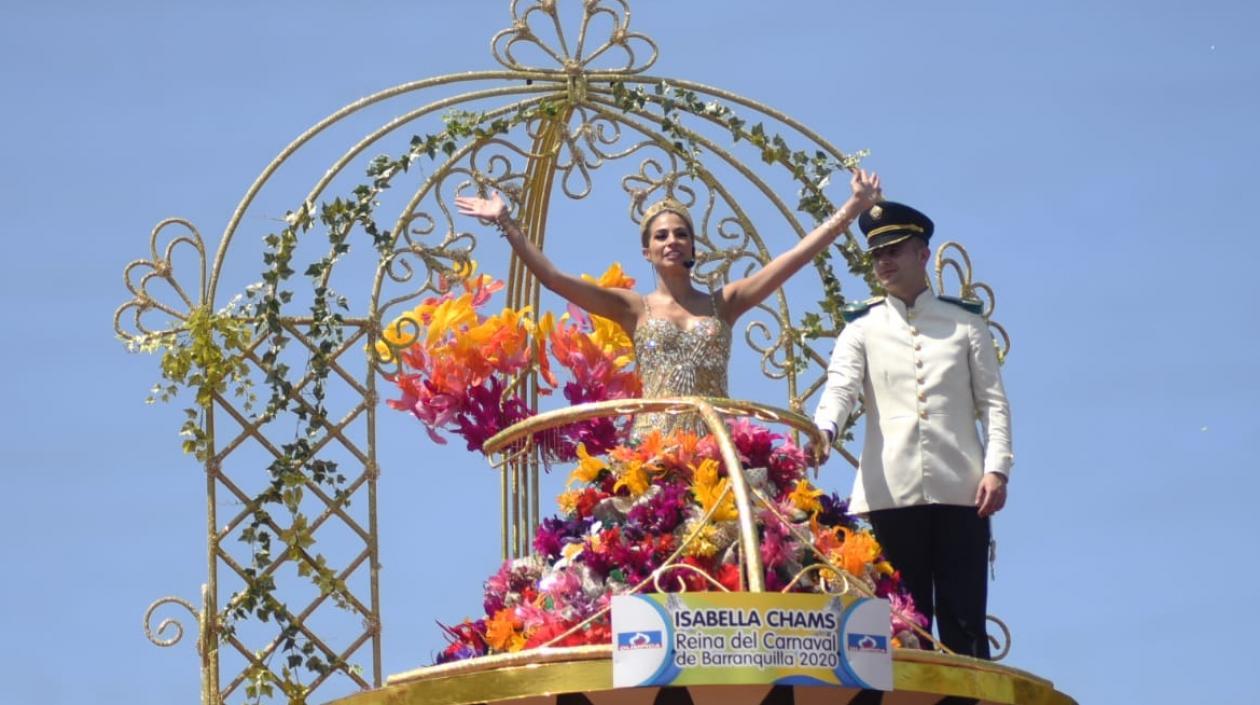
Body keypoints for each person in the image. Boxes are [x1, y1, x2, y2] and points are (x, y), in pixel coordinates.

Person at [454, 169, 882, 436]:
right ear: (648, 252)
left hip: (717, 444)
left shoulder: (724, 303)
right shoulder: (632, 308)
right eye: (661, 236)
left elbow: (795, 259)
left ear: (693, 245)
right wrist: (506, 222)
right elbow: (552, 278)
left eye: (680, 234)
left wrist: (851, 208)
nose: (672, 241)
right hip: (653, 446)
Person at [810, 201, 1013, 659]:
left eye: (894, 250)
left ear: (923, 255)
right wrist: (824, 431)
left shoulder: (965, 323)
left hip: (963, 490)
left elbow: (994, 404)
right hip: (890, 493)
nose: (883, 261)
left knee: (964, 624)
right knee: (902, 627)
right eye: (877, 254)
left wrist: (997, 468)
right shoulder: (860, 329)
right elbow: (840, 389)